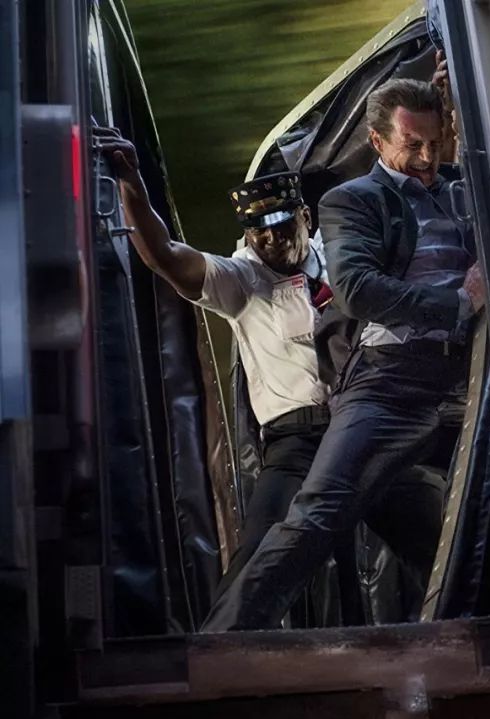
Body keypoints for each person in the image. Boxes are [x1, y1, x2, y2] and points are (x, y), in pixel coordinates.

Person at [200, 77, 485, 630]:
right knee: (316, 515)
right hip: (390, 382)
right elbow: (356, 289)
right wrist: (457, 302)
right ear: (377, 142)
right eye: (412, 145)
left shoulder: (464, 189)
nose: (426, 158)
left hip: (472, 374)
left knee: (471, 517)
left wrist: (458, 91)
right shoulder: (353, 200)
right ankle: (221, 644)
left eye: (434, 143)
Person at [93, 127, 364, 624]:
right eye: (258, 231)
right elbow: (164, 254)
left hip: (361, 425)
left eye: (281, 224)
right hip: (298, 439)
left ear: (305, 217)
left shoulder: (340, 255)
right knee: (261, 550)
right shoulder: (241, 279)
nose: (271, 239)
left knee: (432, 518)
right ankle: (219, 648)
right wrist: (132, 183)